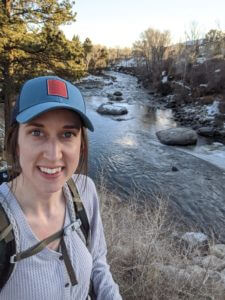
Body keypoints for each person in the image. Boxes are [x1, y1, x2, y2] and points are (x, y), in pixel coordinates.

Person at [0, 76, 122, 299]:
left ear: (81, 145)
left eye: (67, 134)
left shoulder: (85, 191)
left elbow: (97, 262)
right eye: (37, 132)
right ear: (16, 142)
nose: (54, 154)